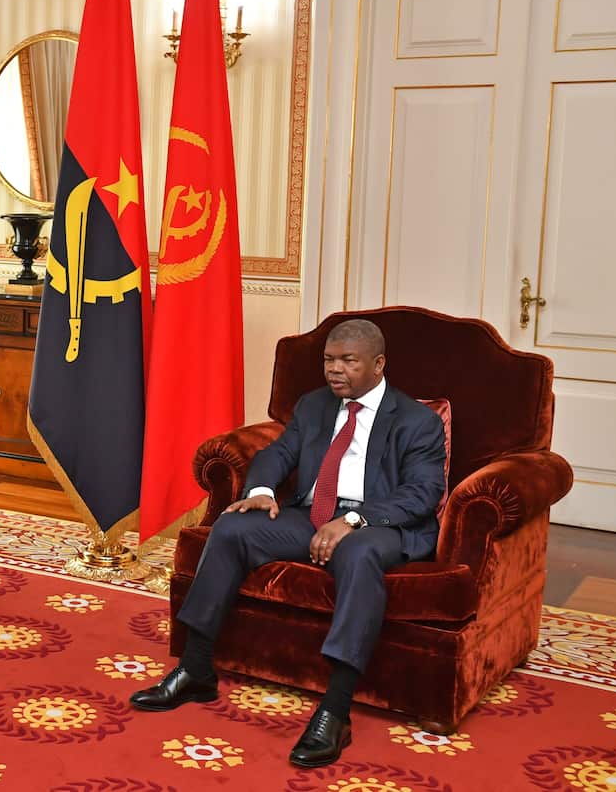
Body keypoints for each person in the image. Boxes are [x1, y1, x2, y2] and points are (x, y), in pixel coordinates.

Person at [130, 319, 446, 768]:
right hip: (312, 514)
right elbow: (278, 453)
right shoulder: (315, 405)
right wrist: (260, 492)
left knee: (357, 554)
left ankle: (335, 710)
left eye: (348, 361)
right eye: (329, 361)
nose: (335, 371)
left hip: (381, 523)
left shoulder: (417, 421)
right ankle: (196, 668)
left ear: (378, 365)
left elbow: (421, 493)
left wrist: (353, 520)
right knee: (231, 527)